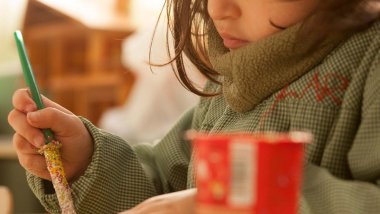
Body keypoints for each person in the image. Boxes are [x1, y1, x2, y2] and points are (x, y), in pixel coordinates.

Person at [7, 0, 380, 213]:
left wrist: (221, 205)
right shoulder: (229, 78)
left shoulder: (369, 59)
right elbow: (164, 186)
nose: (217, 10)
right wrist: (86, 162)